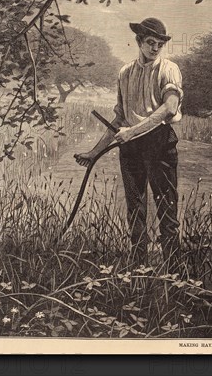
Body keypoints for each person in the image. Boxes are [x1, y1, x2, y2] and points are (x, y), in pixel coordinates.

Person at [75, 17, 183, 267]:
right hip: (131, 147)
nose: (155, 48)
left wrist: (132, 131)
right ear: (139, 41)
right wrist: (94, 153)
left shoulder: (169, 69)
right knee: (135, 210)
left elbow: (170, 108)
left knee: (167, 209)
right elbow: (119, 118)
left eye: (159, 44)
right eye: (150, 42)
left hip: (160, 142)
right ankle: (137, 269)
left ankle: (176, 273)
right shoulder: (125, 72)